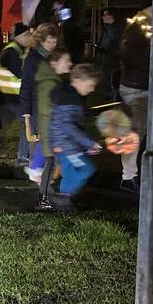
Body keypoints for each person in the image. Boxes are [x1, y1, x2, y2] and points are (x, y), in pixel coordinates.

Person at [118, 20, 153, 193]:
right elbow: (140, 65)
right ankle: (128, 177)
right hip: (138, 91)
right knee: (135, 133)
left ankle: (150, 167)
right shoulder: (138, 42)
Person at [48, 63, 103, 209]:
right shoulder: (70, 100)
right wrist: (89, 143)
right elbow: (69, 127)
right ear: (78, 81)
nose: (93, 89)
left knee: (69, 171)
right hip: (67, 146)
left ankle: (64, 196)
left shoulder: (70, 97)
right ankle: (64, 197)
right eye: (90, 85)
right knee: (87, 169)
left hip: (64, 143)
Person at [19, 23, 61, 182]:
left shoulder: (55, 56)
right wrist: (26, 110)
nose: (52, 45)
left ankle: (49, 175)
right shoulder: (33, 58)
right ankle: (38, 174)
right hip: (37, 106)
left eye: (54, 42)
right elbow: (27, 85)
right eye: (49, 42)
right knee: (37, 141)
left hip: (53, 105)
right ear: (41, 40)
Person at [34, 49, 73, 210]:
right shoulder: (50, 82)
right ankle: (45, 198)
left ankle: (47, 196)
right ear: (55, 63)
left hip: (52, 129)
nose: (70, 64)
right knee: (51, 163)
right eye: (66, 60)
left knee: (52, 163)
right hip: (51, 130)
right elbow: (45, 107)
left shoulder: (53, 80)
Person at [0, 23, 33, 165]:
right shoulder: (12, 51)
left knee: (0, 128)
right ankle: (23, 156)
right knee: (28, 123)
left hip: (8, 96)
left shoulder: (17, 49)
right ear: (20, 36)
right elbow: (20, 73)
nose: (29, 37)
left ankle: (22, 155)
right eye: (27, 35)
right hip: (13, 97)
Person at [96, 8, 125, 100]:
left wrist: (109, 52)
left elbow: (116, 44)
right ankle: (111, 95)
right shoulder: (107, 28)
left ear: (111, 16)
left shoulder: (117, 29)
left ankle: (115, 96)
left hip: (113, 59)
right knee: (107, 78)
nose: (102, 17)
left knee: (113, 78)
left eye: (105, 15)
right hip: (107, 58)